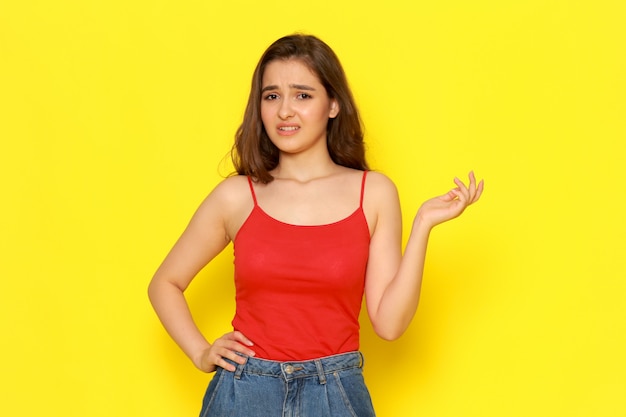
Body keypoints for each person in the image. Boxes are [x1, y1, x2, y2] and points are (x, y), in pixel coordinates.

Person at [148, 34, 483, 417]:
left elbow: (389, 325)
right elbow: (165, 283)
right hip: (245, 392)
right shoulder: (236, 196)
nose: (285, 111)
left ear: (334, 105)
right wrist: (200, 352)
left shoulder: (372, 193)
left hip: (335, 393)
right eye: (272, 96)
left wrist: (423, 224)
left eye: (303, 95)